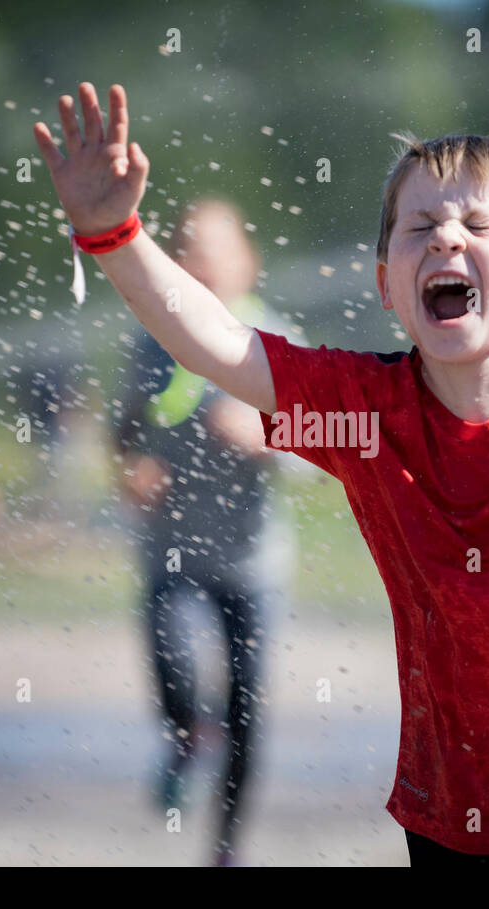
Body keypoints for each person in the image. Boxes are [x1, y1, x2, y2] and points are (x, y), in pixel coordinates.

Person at [35, 2, 489, 864]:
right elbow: (220, 342)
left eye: (476, 226)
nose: (445, 237)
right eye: (419, 228)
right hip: (447, 816)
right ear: (388, 286)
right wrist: (115, 236)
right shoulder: (363, 412)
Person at [112, 198, 292, 867]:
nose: (205, 261)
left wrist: (267, 437)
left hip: (252, 563)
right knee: (173, 660)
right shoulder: (153, 337)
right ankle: (188, 737)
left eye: (218, 249)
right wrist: (129, 467)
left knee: (248, 715)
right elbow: (123, 428)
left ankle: (224, 851)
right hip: (173, 550)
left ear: (247, 261)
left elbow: (326, 448)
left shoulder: (278, 339)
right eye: (190, 248)